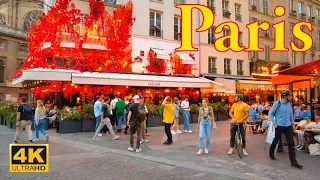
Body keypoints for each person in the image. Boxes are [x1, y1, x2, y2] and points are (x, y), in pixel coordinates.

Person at [269, 90, 303, 169]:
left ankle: (293, 162)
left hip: (288, 126)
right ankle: (271, 153)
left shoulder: (289, 104)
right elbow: (270, 113)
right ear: (285, 96)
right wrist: (274, 123)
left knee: (291, 143)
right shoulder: (277, 104)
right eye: (290, 95)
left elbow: (291, 115)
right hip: (279, 125)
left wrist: (292, 124)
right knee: (276, 140)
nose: (291, 97)